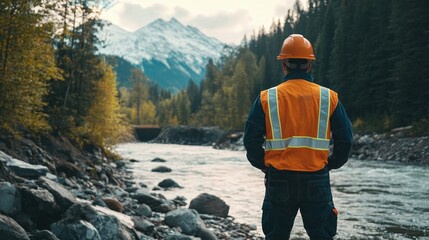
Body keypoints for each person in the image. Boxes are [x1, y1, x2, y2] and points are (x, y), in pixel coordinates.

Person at [243, 34, 353, 240]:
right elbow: (345, 139)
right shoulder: (329, 97)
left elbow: (250, 140)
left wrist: (263, 164)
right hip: (316, 179)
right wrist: (331, 163)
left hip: (279, 180)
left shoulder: (267, 97)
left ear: (284, 64)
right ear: (310, 64)